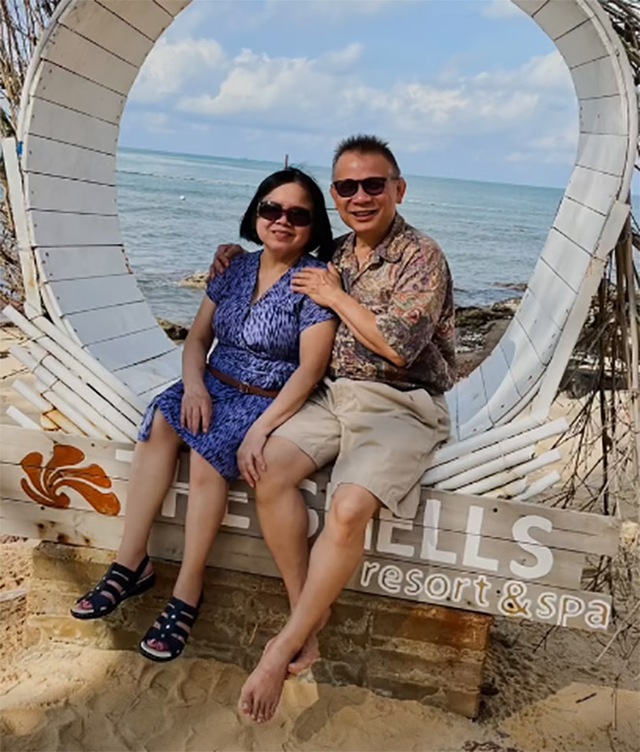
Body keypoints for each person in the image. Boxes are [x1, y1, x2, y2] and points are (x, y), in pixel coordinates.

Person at [212, 134, 456, 722]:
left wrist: (334, 296)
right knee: (267, 470)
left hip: (400, 403)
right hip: (332, 395)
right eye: (347, 187)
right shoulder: (336, 253)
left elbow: (398, 347)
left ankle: (281, 647)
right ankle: (308, 620)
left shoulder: (422, 256)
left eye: (373, 184)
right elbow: (279, 250)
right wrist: (234, 256)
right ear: (336, 196)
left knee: (348, 507)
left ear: (398, 189)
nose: (360, 196)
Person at [70, 168, 338, 663]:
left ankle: (188, 590)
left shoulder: (314, 282)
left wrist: (262, 427)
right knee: (160, 421)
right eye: (272, 209)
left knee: (207, 454)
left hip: (265, 398)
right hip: (212, 381)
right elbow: (197, 340)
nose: (282, 221)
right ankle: (131, 561)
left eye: (298, 215)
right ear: (256, 213)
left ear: (313, 225)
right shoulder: (233, 268)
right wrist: (194, 386)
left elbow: (310, 370)